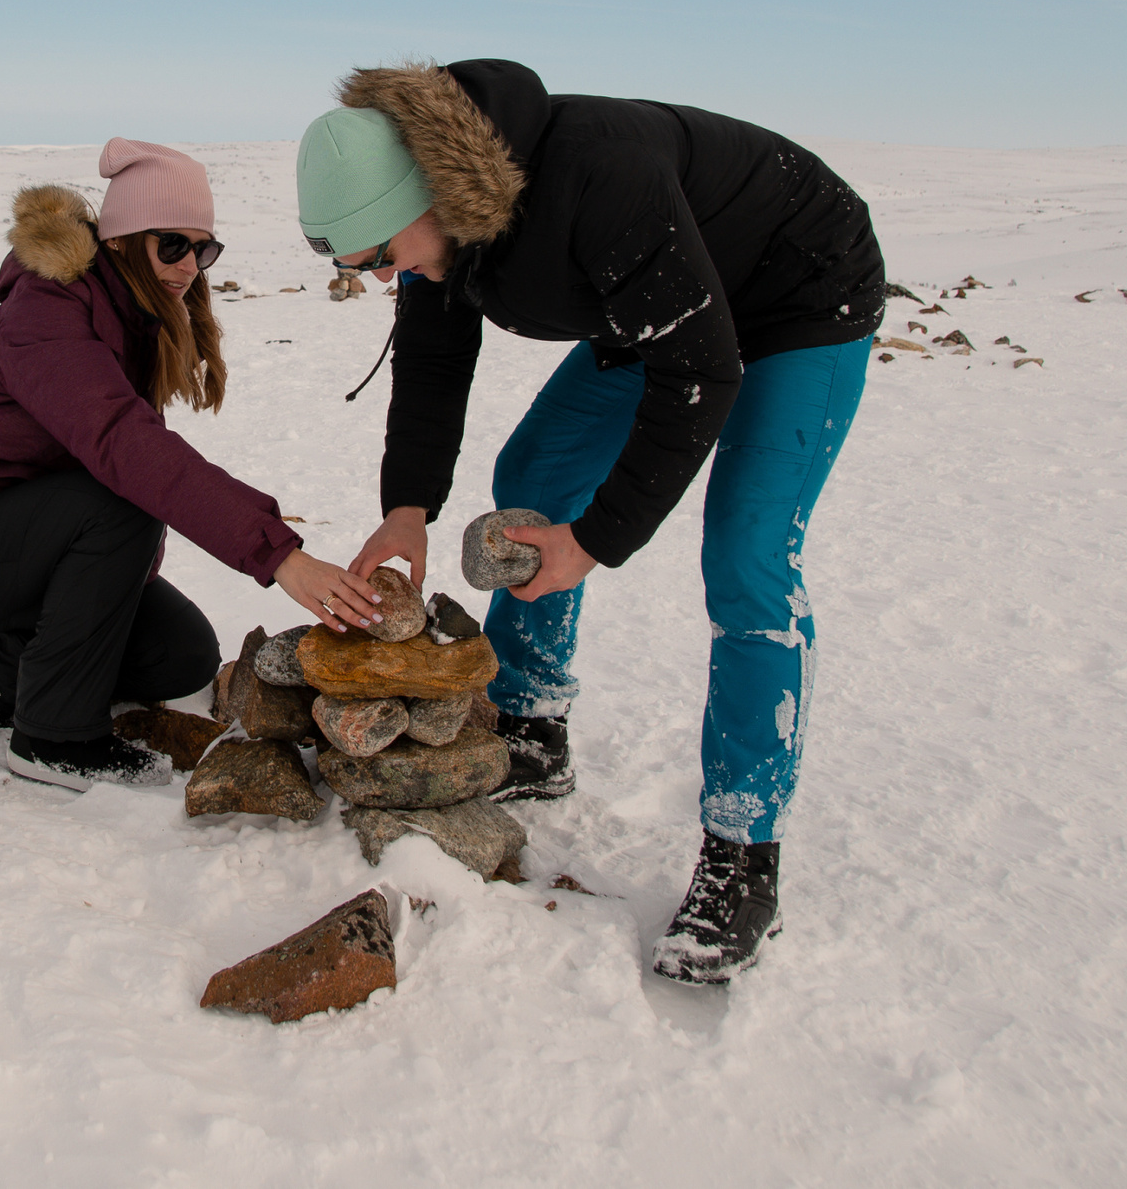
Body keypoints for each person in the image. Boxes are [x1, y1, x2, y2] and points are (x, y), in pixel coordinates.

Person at [295, 61, 885, 982]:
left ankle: (743, 854)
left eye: (375, 255)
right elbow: (433, 359)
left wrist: (593, 542)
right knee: (534, 472)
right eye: (355, 265)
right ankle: (531, 723)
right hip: (664, 301)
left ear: (422, 198)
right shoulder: (438, 219)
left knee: (748, 556)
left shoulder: (594, 179)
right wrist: (407, 510)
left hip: (800, 289)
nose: (375, 276)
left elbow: (700, 373)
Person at [0, 138, 381, 791]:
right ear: (121, 240)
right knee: (121, 499)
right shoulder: (47, 311)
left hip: (20, 533)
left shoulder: (126, 315)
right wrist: (278, 553)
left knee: (181, 654)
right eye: (174, 244)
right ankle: (53, 739)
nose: (191, 264)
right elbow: (126, 449)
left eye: (205, 248)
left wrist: (113, 580)